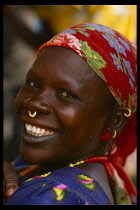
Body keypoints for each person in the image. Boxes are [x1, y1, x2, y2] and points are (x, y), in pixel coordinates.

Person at [3, 23, 137, 205]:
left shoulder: (45, 198)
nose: (34, 104)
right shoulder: (105, 176)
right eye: (33, 83)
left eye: (66, 94)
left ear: (115, 120)